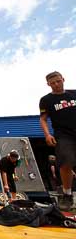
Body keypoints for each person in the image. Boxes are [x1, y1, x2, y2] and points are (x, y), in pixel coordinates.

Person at [39, 71, 76, 211]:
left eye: (58, 81)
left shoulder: (74, 94)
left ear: (63, 79)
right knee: (65, 162)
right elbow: (43, 119)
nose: (56, 84)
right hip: (63, 135)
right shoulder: (46, 100)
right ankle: (67, 195)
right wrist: (47, 134)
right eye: (52, 83)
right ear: (48, 84)